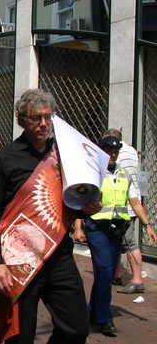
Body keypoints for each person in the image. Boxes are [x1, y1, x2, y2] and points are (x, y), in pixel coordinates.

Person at [0, 88, 103, 343]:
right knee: (20, 337)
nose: (44, 123)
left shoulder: (65, 156)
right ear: (21, 120)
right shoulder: (4, 159)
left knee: (76, 329)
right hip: (19, 260)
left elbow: (70, 202)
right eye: (36, 118)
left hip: (58, 256)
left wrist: (87, 209)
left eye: (48, 117)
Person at [73, 136, 157, 336]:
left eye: (115, 152)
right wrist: (78, 227)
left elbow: (135, 202)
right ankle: (104, 318)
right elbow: (80, 203)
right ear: (100, 152)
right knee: (103, 269)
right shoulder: (93, 173)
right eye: (108, 151)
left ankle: (93, 310)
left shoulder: (124, 174)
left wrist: (148, 225)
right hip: (97, 228)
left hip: (116, 229)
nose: (112, 155)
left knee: (107, 274)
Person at [104, 129, 149, 294]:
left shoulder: (117, 155)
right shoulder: (132, 151)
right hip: (128, 201)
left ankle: (137, 280)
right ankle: (116, 276)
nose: (111, 153)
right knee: (117, 243)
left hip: (125, 205)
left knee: (129, 244)